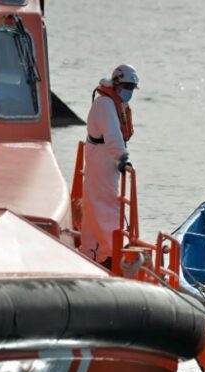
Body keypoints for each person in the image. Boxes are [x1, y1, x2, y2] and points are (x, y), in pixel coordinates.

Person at [79, 64, 139, 269]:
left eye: (132, 88)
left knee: (94, 204)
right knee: (107, 206)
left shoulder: (114, 104)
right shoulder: (105, 105)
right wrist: (123, 159)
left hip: (103, 159)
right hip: (103, 160)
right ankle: (109, 254)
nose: (129, 91)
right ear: (116, 84)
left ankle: (90, 252)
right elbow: (113, 136)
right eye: (126, 87)